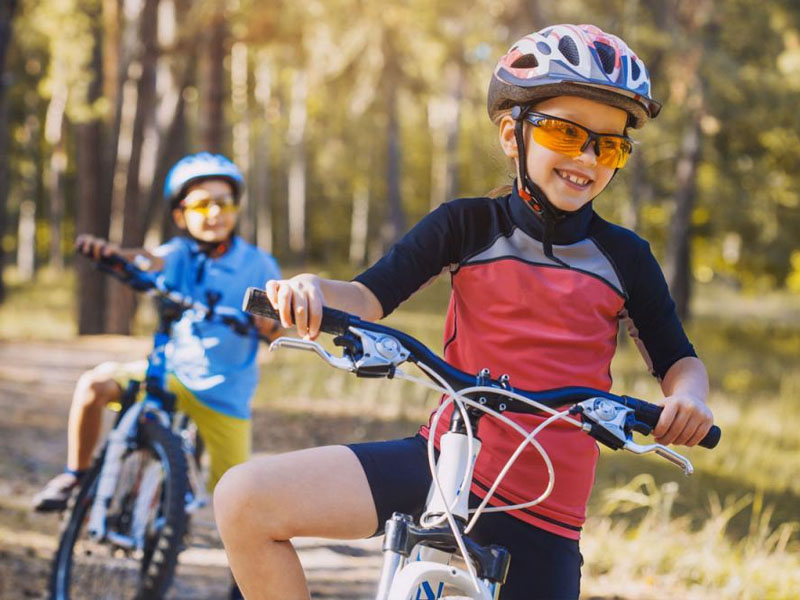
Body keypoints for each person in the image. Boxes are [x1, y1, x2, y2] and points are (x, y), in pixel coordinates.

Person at [213, 25, 714, 600]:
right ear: (511, 133)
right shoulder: (466, 225)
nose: (588, 157)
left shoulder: (625, 257)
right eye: (566, 132)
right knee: (244, 499)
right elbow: (367, 297)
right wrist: (311, 291)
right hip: (444, 464)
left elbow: (680, 362)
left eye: (611, 144)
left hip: (543, 512)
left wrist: (688, 399)